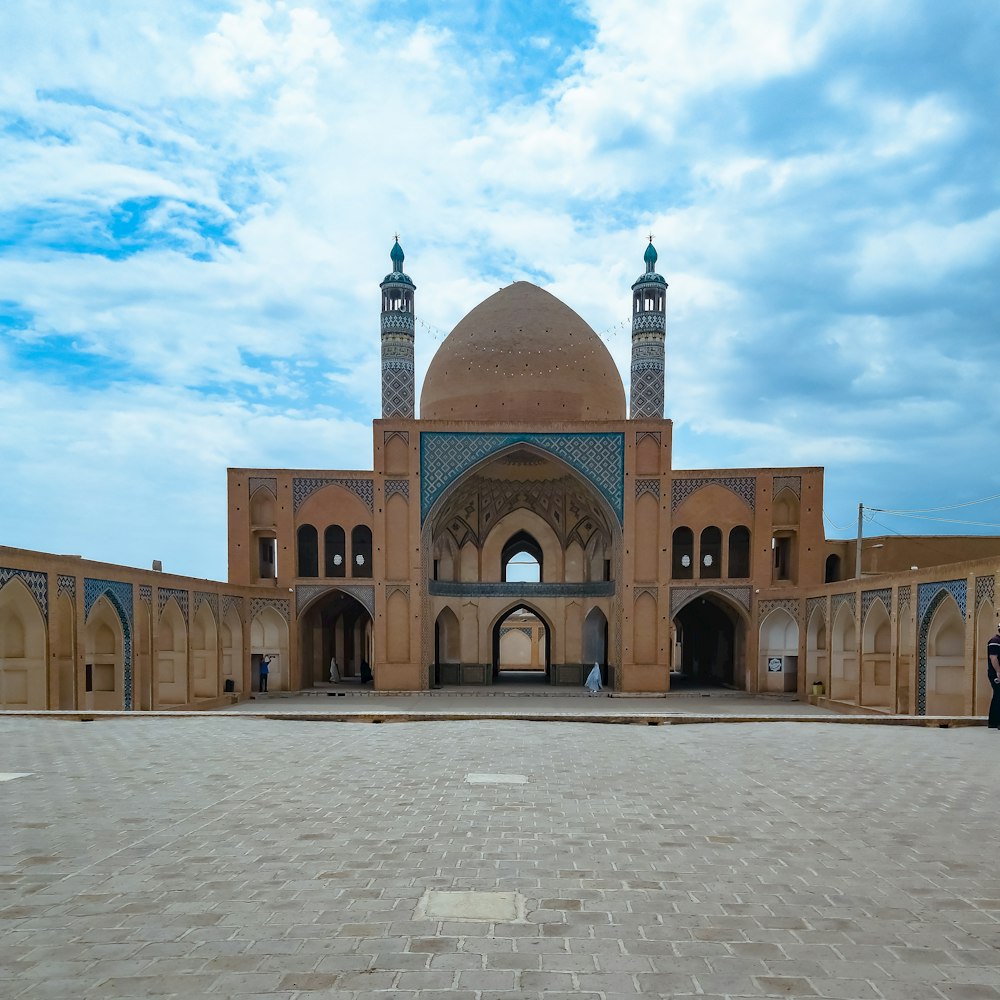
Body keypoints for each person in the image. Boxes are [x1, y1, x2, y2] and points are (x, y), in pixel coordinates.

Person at [988, 626, 1000, 729]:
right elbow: (993, 657)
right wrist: (998, 671)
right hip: (996, 673)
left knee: (997, 696)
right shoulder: (995, 641)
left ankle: (993, 722)